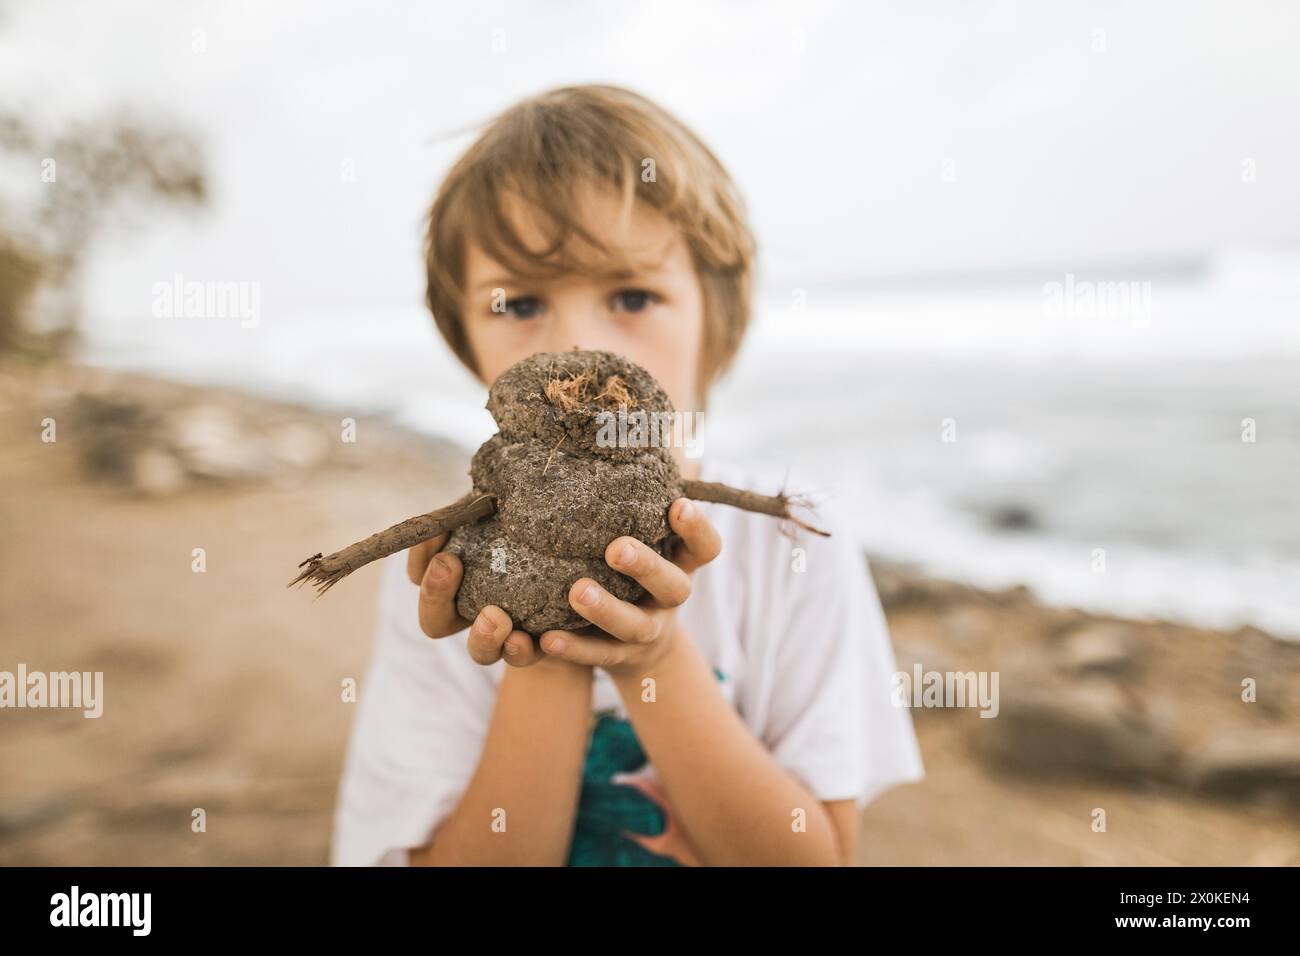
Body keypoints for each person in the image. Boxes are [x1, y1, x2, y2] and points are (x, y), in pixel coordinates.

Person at [332, 85, 922, 866]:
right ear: (464, 341)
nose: (577, 348)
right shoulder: (444, 567)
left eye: (633, 295)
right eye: (519, 304)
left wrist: (653, 659)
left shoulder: (792, 542)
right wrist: (542, 645)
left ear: (716, 321)